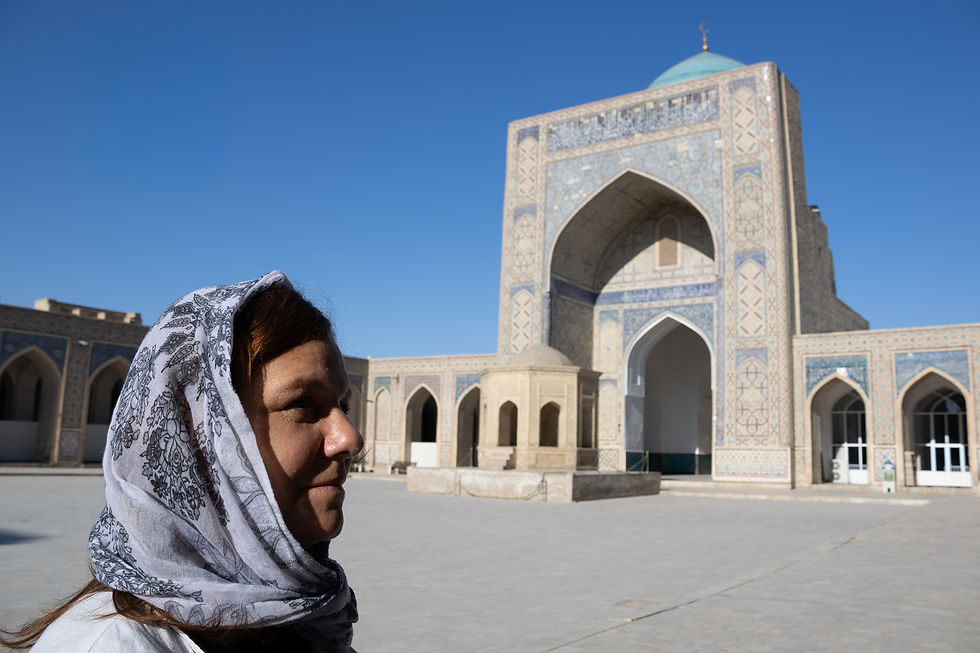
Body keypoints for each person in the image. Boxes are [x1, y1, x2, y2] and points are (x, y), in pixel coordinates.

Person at [0, 271, 363, 652]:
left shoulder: (308, 617)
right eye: (303, 403)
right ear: (197, 437)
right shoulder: (111, 645)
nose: (351, 438)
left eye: (344, 406)